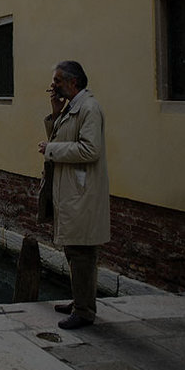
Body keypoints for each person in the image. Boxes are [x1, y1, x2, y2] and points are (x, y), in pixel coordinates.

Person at [37, 60, 109, 330]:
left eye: (57, 81)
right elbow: (62, 138)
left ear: (73, 82)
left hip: (82, 191)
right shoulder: (71, 109)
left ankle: (84, 311)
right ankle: (80, 300)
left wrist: (51, 149)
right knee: (73, 249)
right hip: (71, 189)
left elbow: (91, 150)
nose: (53, 86)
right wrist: (55, 113)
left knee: (82, 252)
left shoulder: (89, 109)